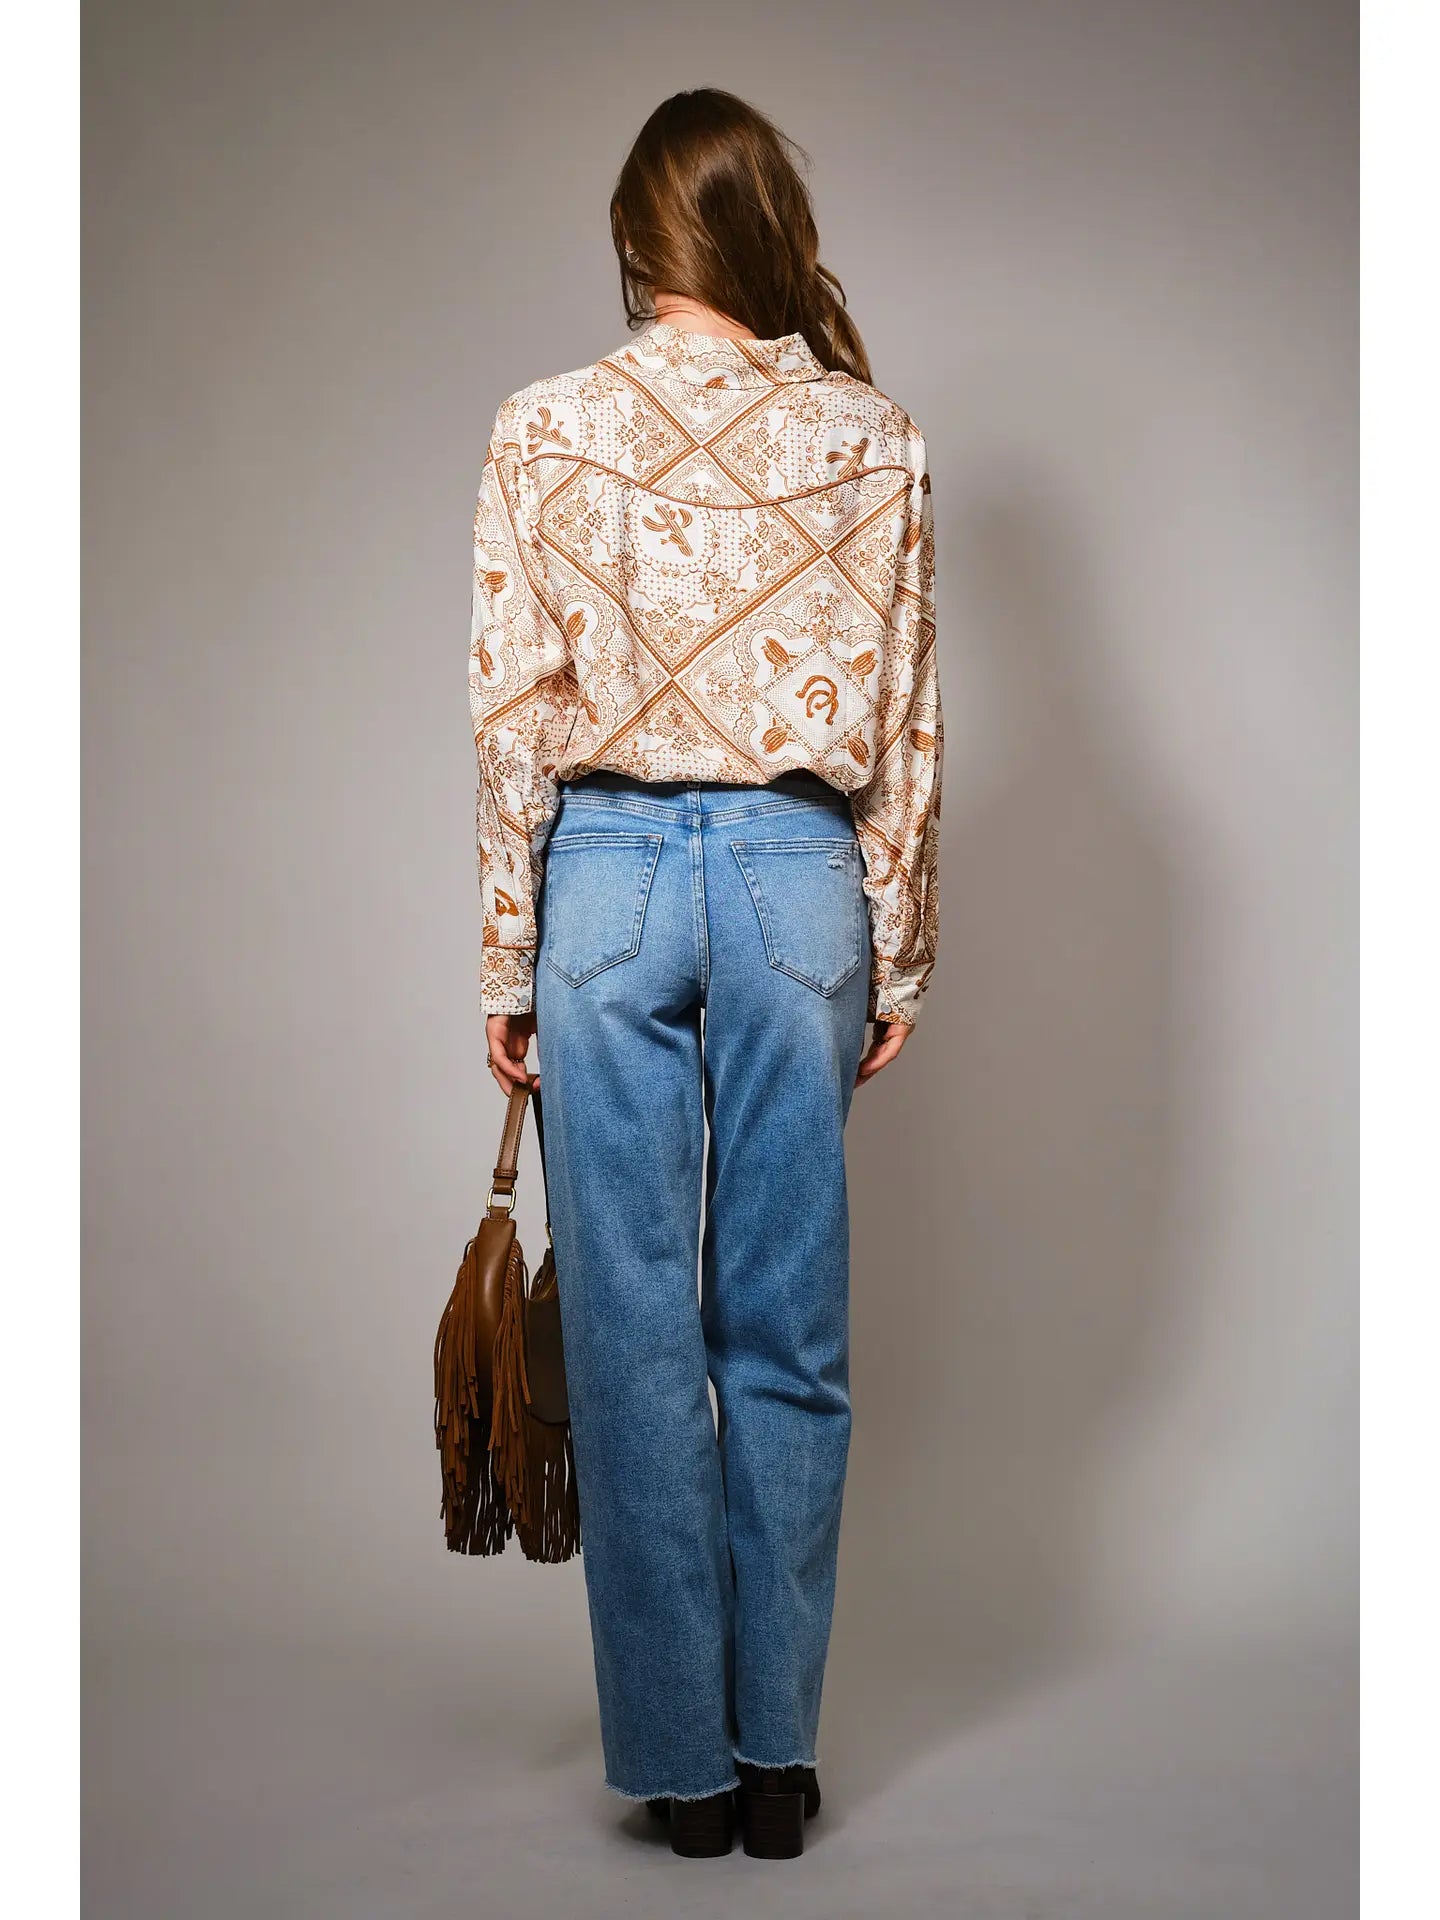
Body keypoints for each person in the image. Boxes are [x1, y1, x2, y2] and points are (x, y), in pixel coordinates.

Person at [468, 87, 942, 1860]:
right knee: (788, 1338)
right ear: (761, 233)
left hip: (600, 876)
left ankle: (675, 1772)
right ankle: (774, 1765)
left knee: (638, 1332)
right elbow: (904, 714)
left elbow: (513, 713)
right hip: (793, 882)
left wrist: (509, 950)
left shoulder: (544, 427)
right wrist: (895, 940)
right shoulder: (875, 437)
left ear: (636, 240)